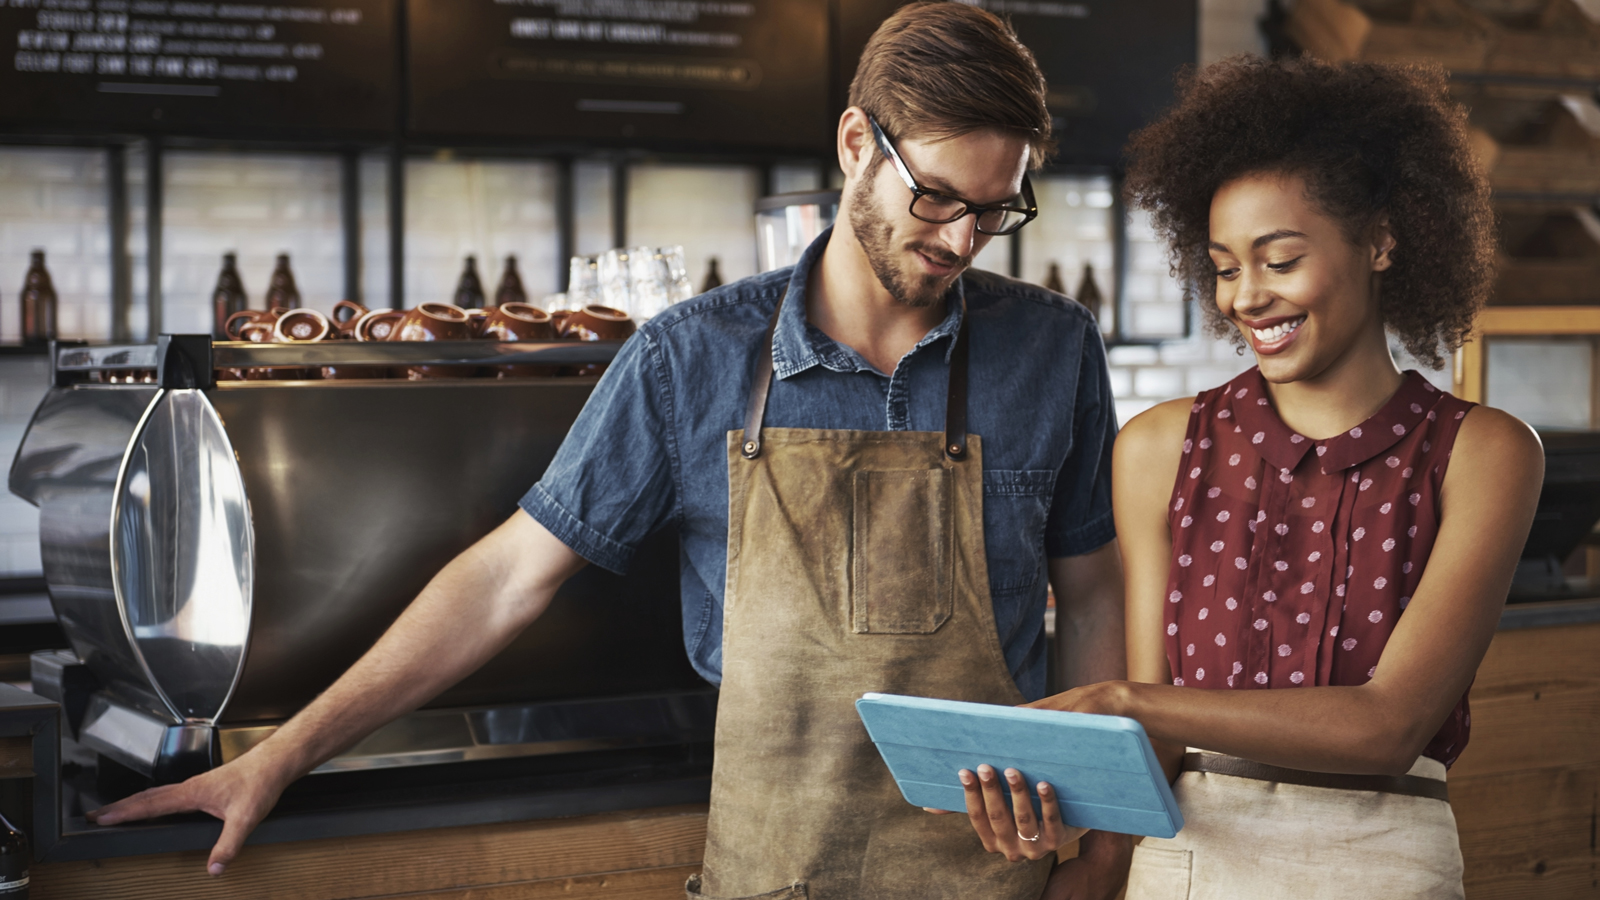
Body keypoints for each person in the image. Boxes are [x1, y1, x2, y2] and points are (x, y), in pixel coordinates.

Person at [87, 4, 1134, 897]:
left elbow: (1089, 597)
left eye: (997, 211)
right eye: (939, 198)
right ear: (857, 144)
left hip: (1001, 873)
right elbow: (505, 579)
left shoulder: (1052, 348)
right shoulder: (694, 358)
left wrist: (1096, 844)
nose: (962, 239)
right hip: (774, 869)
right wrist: (278, 757)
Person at [953, 56, 1543, 899]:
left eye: (1280, 259)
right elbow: (1149, 746)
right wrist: (1083, 832)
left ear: (1381, 240)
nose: (1248, 298)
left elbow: (1388, 724)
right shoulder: (1159, 447)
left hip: (1385, 867)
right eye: (1227, 268)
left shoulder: (1485, 452)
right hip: (1189, 862)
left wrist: (1128, 702)